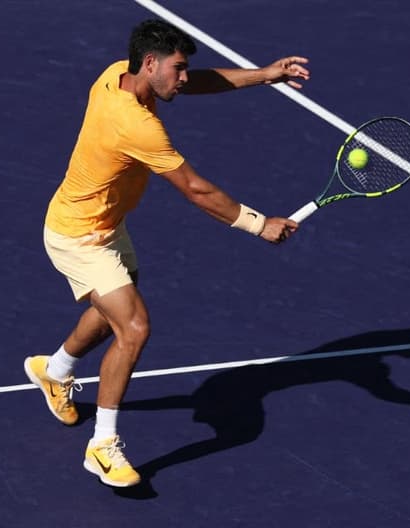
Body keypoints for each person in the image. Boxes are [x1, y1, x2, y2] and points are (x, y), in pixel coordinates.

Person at [24, 19, 306, 488]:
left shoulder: (119, 73)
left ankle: (54, 370)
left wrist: (264, 74)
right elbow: (195, 190)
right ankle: (103, 447)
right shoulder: (138, 125)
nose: (183, 78)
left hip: (105, 226)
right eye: (178, 68)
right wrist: (260, 225)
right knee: (134, 327)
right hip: (77, 236)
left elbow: (199, 84)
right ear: (150, 63)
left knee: (115, 305)